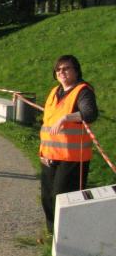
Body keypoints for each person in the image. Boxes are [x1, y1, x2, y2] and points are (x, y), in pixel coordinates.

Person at [38, 54, 98, 234]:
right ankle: (53, 235)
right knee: (47, 198)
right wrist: (43, 152)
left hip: (72, 158)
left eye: (66, 68)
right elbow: (48, 122)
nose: (61, 72)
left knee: (63, 198)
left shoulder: (82, 90)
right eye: (58, 69)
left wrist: (66, 118)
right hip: (49, 155)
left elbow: (90, 114)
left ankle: (68, 235)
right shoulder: (54, 92)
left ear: (76, 70)